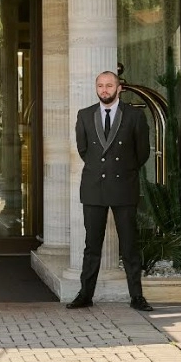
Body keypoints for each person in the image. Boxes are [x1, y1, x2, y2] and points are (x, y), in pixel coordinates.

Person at [68, 71, 154, 312]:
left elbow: (142, 152)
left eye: (109, 86)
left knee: (129, 245)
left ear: (119, 88)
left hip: (124, 186)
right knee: (91, 245)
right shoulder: (85, 115)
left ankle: (137, 297)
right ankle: (85, 295)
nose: (104, 90)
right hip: (94, 187)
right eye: (100, 86)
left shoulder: (135, 116)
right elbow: (84, 150)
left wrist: (123, 169)